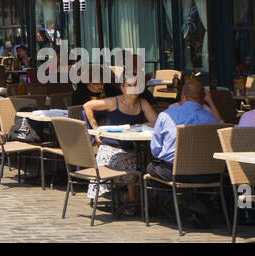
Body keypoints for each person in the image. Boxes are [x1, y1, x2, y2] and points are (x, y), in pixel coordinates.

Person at [82, 71, 158, 215]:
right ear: (122, 88)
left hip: (135, 147)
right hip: (111, 148)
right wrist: (95, 127)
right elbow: (87, 106)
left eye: (137, 85)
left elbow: (155, 121)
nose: (134, 89)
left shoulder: (143, 103)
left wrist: (134, 126)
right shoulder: (113, 102)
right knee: (129, 161)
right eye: (130, 86)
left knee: (143, 160)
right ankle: (131, 200)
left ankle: (131, 199)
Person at [147, 76, 220, 182]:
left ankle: (175, 198)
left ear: (182, 96)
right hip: (207, 173)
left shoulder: (166, 115)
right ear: (203, 98)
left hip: (175, 172)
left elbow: (155, 150)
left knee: (151, 167)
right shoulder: (212, 119)